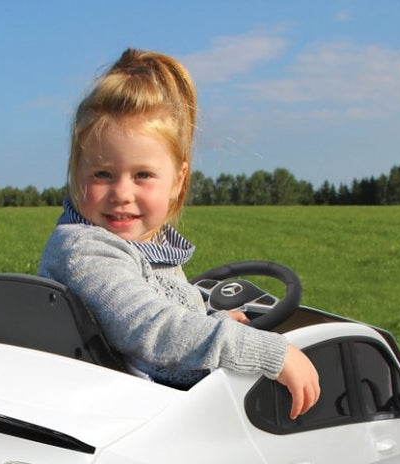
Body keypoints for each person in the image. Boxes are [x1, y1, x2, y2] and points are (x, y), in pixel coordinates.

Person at [37, 48, 319, 418]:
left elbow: (159, 324)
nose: (122, 192)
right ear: (77, 174)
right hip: (125, 423)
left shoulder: (141, 245)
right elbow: (150, 328)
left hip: (148, 415)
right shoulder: (85, 251)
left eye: (142, 175)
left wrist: (210, 322)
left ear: (178, 179)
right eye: (103, 174)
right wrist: (268, 352)